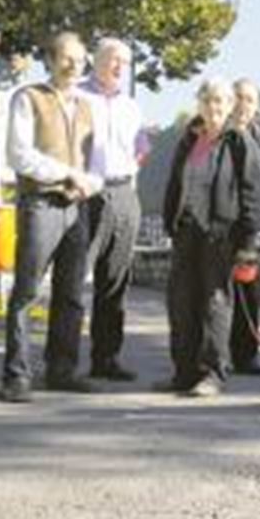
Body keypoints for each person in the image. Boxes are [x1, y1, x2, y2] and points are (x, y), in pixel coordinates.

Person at [1, 31, 102, 403]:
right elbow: (19, 155)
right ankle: (16, 376)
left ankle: (62, 370)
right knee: (26, 292)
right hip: (40, 205)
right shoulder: (28, 98)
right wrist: (67, 173)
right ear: (50, 60)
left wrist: (88, 182)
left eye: (80, 60)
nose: (74, 66)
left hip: (77, 207)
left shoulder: (88, 107)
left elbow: (95, 164)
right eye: (66, 58)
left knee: (72, 294)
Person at [159, 78, 260, 397]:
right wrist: (170, 223)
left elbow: (254, 194)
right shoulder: (189, 139)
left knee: (214, 303)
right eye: (207, 100)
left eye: (220, 101)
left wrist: (248, 244)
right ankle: (183, 372)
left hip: (221, 234)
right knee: (181, 302)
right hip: (187, 231)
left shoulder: (239, 141)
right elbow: (176, 184)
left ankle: (213, 373)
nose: (213, 107)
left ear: (230, 105)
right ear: (199, 103)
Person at [81, 37, 146, 382]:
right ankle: (60, 361)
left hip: (124, 193)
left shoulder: (131, 106)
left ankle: (106, 358)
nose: (120, 67)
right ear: (96, 61)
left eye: (125, 62)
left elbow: (140, 148)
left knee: (115, 282)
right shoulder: (78, 96)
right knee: (74, 278)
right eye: (113, 59)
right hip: (87, 193)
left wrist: (131, 173)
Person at [227, 77, 260, 376]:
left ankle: (246, 356)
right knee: (214, 293)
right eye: (239, 97)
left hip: (248, 229)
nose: (244, 105)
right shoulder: (216, 133)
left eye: (250, 100)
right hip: (217, 225)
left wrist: (255, 230)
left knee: (246, 293)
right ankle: (214, 354)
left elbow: (257, 189)